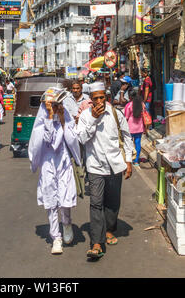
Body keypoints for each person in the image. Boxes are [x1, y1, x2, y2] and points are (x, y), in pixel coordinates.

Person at [77, 81, 133, 260]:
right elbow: (82, 138)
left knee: (113, 202)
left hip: (115, 165)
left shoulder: (116, 114)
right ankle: (96, 242)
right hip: (95, 166)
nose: (99, 101)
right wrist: (93, 118)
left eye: (102, 97)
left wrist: (129, 160)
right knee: (95, 202)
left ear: (106, 97)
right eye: (96, 98)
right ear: (91, 100)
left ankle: (109, 229)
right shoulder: (86, 116)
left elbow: (127, 136)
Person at [28, 87, 81, 255]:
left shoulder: (65, 117)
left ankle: (66, 224)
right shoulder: (43, 120)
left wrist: (62, 119)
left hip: (63, 161)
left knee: (65, 194)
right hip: (48, 163)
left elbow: (72, 139)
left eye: (55, 104)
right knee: (50, 199)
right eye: (50, 104)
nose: (53, 106)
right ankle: (55, 237)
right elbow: (48, 141)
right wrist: (50, 117)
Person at [125, 89, 145, 167]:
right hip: (139, 127)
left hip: (130, 127)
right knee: (137, 144)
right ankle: (136, 161)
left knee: (129, 144)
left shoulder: (129, 105)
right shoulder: (142, 104)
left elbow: (126, 117)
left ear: (130, 97)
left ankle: (129, 160)